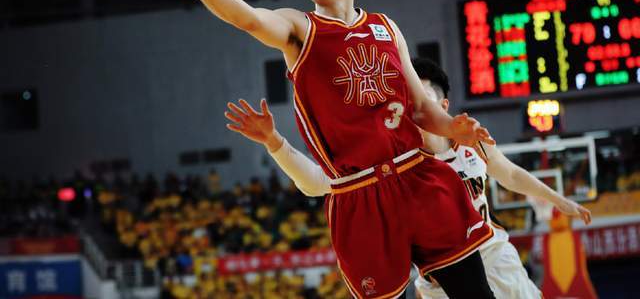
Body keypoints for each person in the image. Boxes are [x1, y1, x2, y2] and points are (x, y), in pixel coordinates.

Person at [136, 0, 496, 298]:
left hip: (417, 175)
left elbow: (420, 107)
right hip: (358, 193)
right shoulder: (300, 28)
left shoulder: (386, 27)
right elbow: (249, 19)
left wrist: (452, 127)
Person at [223, 58, 592, 299]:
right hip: (441, 283)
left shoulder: (469, 139)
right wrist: (274, 142)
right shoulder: (389, 161)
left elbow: (509, 172)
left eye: (421, 98)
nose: (412, 105)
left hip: (497, 259)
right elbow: (316, 183)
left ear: (441, 106)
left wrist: (558, 199)